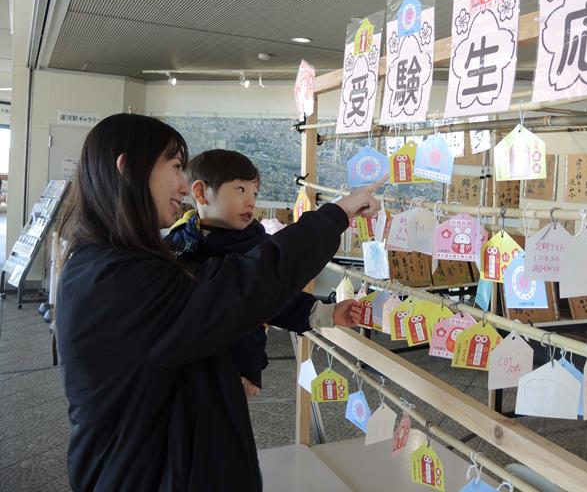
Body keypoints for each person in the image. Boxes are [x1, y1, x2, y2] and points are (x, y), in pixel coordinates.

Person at [56, 113, 384, 491]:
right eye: (175, 166)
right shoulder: (120, 279)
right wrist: (337, 214)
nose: (183, 185)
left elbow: (245, 290)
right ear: (127, 169)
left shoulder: (113, 261)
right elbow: (243, 287)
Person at [164, 148, 360, 399]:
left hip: (235, 370)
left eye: (254, 193)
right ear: (201, 192)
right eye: (240, 190)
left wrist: (326, 313)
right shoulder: (177, 242)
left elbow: (279, 299)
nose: (251, 201)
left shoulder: (258, 247)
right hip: (182, 367)